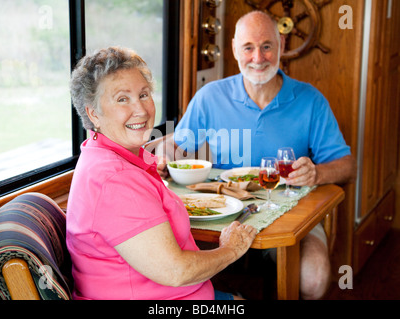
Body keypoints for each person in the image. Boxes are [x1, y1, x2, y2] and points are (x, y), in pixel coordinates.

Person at [161, 11, 356, 300]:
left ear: (281, 45)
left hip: (290, 212)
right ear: (234, 49)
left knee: (314, 279)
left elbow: (347, 166)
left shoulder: (310, 99)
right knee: (176, 269)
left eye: (267, 46)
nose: (258, 57)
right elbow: (176, 146)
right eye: (248, 47)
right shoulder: (210, 96)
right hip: (220, 212)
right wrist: (165, 156)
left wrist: (317, 173)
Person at [66, 46, 257, 300]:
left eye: (144, 94)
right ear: (93, 114)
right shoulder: (115, 180)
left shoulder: (108, 154)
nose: (142, 110)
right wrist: (231, 250)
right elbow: (175, 272)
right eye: (122, 99)